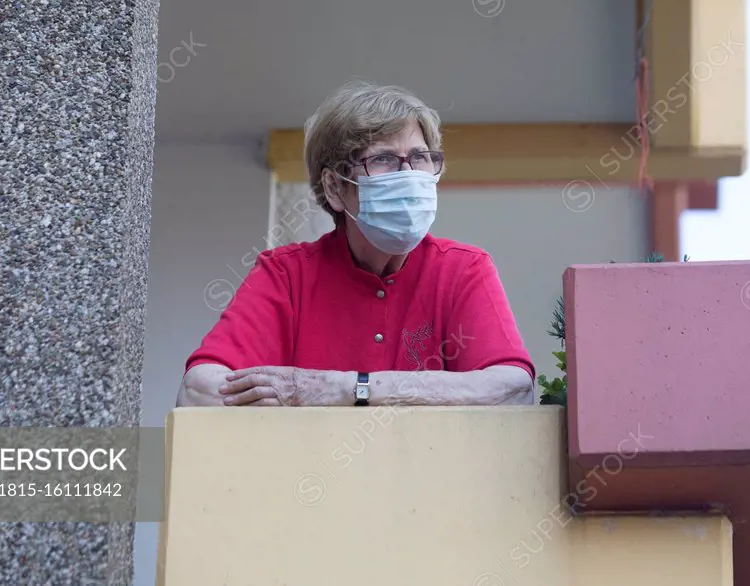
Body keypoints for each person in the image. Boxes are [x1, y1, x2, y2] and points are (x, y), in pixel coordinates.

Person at [176, 82, 535, 408]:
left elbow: (513, 389)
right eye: (382, 159)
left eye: (420, 157)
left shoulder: (463, 268)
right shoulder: (286, 274)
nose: (408, 174)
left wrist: (352, 389)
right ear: (334, 188)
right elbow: (199, 390)